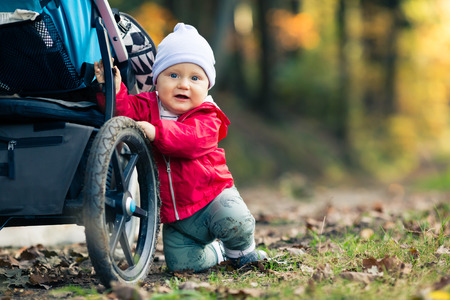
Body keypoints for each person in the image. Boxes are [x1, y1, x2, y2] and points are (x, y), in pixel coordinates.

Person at [95, 23, 267, 272]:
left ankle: (241, 252)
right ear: (157, 79)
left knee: (237, 223)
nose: (183, 84)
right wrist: (111, 87)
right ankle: (217, 252)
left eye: (194, 78)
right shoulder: (147, 105)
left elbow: (192, 139)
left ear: (207, 85)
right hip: (178, 217)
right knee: (182, 266)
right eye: (173, 75)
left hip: (213, 199)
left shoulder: (208, 114)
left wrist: (156, 131)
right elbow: (122, 114)